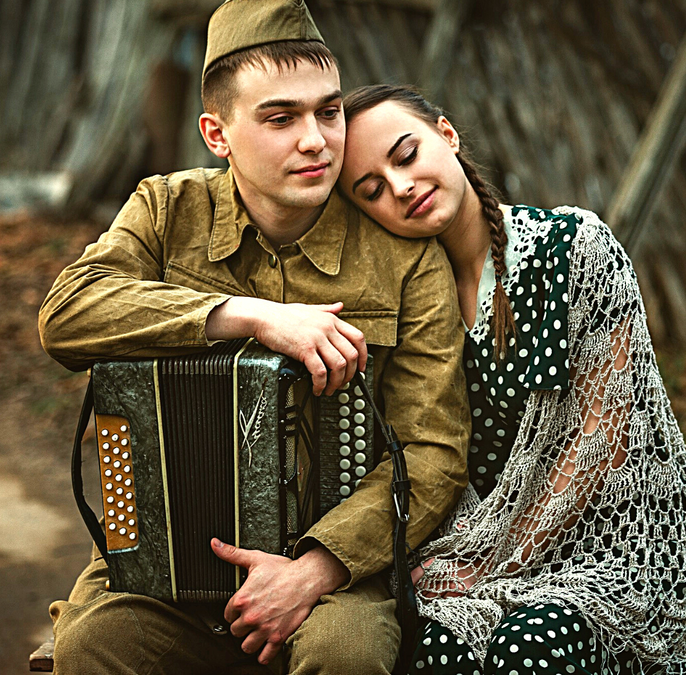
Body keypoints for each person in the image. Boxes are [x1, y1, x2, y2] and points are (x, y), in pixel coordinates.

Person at [38, 4, 470, 673]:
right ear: (217, 133)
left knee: (347, 655)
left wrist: (316, 568)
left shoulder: (403, 257)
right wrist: (246, 315)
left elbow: (433, 450)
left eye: (329, 112)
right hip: (164, 561)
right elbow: (67, 315)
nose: (317, 140)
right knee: (92, 645)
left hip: (333, 577)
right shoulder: (164, 211)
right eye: (280, 118)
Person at [338, 84, 686, 675]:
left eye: (405, 155)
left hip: (617, 546)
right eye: (372, 191)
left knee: (529, 642)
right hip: (479, 547)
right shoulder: (410, 303)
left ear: (447, 134)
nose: (401, 187)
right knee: (433, 646)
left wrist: (491, 564)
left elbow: (602, 436)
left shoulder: (571, 247)